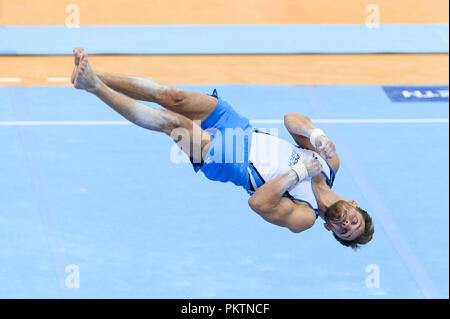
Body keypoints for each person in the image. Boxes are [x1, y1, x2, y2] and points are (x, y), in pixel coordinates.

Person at [71, 47, 374, 250]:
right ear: (353, 203)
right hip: (240, 126)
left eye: (344, 231)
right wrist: (315, 134)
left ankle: (93, 86)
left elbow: (258, 203)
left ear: (330, 231)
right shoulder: (330, 163)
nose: (346, 223)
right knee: (172, 95)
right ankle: (91, 73)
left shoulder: (305, 218)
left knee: (172, 122)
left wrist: (297, 172)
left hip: (232, 163)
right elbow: (290, 119)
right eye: (353, 221)